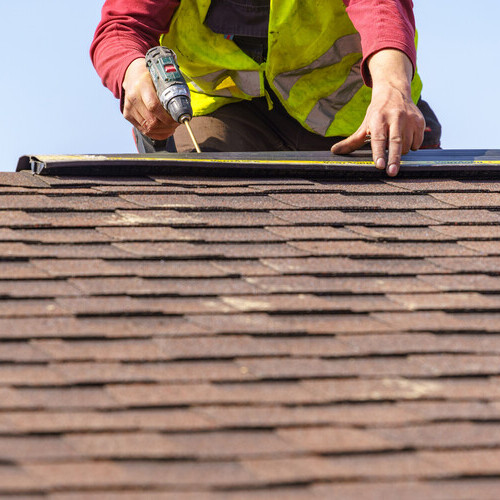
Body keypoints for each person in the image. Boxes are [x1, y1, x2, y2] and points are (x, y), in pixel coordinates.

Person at [91, 0, 441, 177]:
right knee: (209, 185)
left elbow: (380, 7)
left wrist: (394, 89)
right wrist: (132, 73)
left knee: (384, 188)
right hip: (216, 109)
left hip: (346, 113)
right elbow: (122, 28)